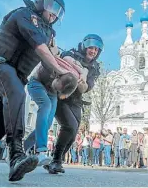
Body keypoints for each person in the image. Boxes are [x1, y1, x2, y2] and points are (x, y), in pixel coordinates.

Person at [0, 0, 67, 182]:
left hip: (16, 75)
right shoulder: (24, 14)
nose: (55, 14)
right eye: (52, 8)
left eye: (59, 12)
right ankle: (17, 156)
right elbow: (42, 50)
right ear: (41, 3)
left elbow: (51, 55)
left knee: (2, 122)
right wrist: (60, 71)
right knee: (17, 95)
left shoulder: (49, 33)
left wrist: (67, 75)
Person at [43, 34, 103, 174]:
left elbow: (86, 87)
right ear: (84, 46)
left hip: (76, 99)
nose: (93, 51)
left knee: (74, 131)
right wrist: (80, 72)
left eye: (96, 49)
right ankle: (56, 161)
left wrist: (81, 82)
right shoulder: (72, 53)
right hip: (61, 95)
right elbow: (64, 59)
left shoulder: (94, 68)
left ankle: (56, 160)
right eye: (91, 47)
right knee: (70, 126)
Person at [23, 54, 86, 166]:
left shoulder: (73, 78)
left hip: (52, 92)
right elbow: (57, 55)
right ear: (57, 76)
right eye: (57, 86)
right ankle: (41, 150)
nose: (57, 88)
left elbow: (84, 70)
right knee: (46, 106)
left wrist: (83, 73)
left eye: (59, 89)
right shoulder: (51, 66)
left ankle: (25, 146)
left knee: (48, 122)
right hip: (36, 83)